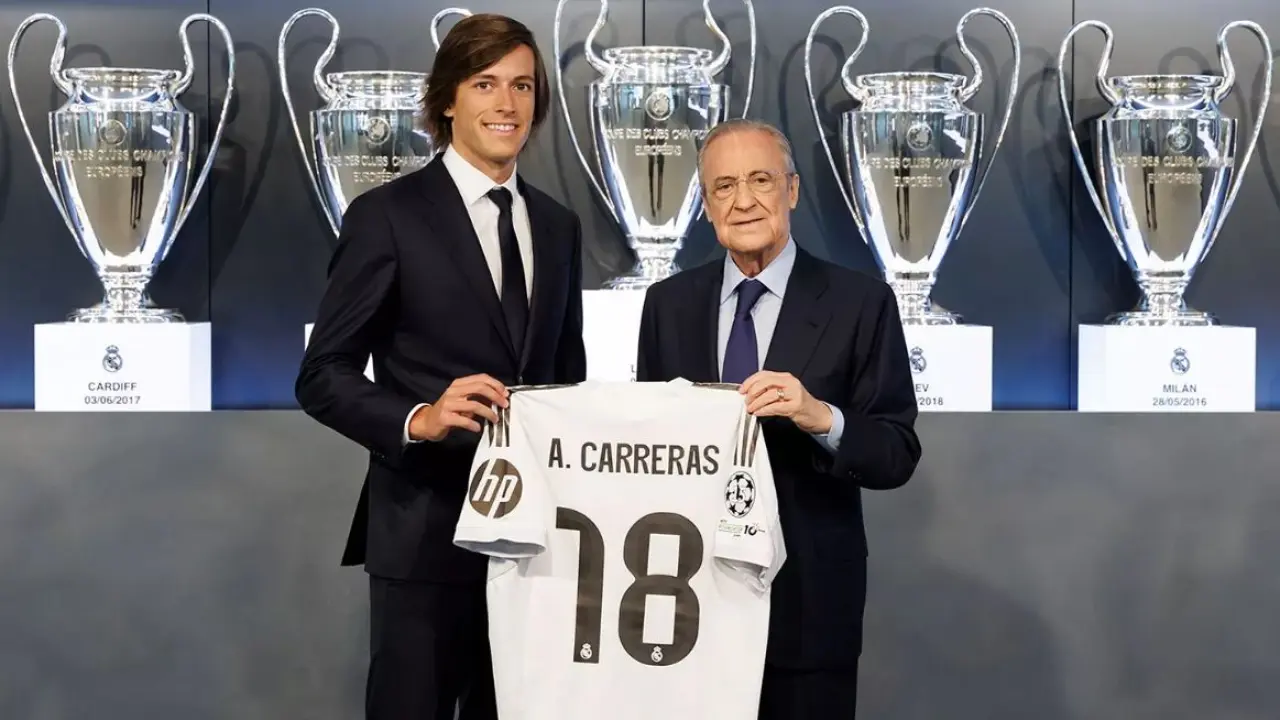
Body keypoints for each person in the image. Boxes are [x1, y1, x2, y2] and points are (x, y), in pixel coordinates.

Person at [295, 13, 586, 720]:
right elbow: (322, 373)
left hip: (534, 543)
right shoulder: (386, 216)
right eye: (485, 83)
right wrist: (418, 418)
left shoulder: (558, 226)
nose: (507, 103)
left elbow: (566, 377)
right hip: (424, 532)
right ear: (448, 99)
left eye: (522, 85)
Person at [635, 118, 921, 718]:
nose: (743, 201)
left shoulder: (861, 302)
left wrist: (821, 417)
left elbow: (895, 452)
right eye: (724, 186)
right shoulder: (667, 305)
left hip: (809, 606)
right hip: (688, 603)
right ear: (706, 204)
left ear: (791, 190)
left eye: (760, 180)